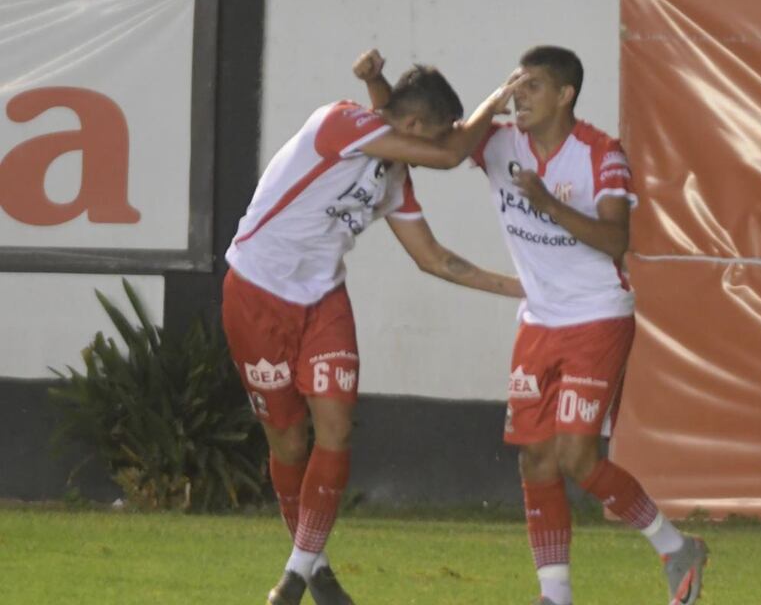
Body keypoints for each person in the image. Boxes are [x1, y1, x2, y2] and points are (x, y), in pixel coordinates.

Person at [358, 45, 708, 605]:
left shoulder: (601, 154)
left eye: (534, 86)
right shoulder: (497, 143)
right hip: (539, 322)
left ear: (565, 95)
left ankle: (675, 547)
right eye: (516, 85)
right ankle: (556, 595)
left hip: (597, 316)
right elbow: (425, 143)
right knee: (534, 458)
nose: (521, 96)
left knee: (577, 458)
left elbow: (617, 241)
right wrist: (380, 87)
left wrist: (548, 204)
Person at [222, 52, 526, 605]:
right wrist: (498, 98)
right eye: (430, 133)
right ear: (412, 127)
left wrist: (527, 288)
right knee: (288, 443)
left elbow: (435, 259)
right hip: (256, 294)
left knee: (335, 429)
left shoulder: (392, 177)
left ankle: (293, 576)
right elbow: (451, 152)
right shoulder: (339, 123)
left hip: (323, 301)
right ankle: (318, 569)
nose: (429, 148)